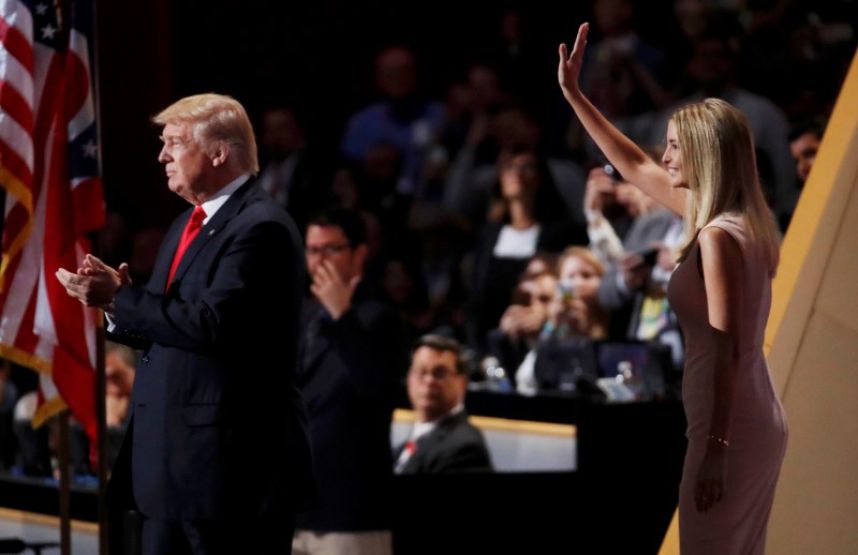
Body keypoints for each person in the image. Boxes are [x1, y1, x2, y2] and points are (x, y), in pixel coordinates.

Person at [558, 23, 787, 553]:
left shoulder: (716, 236)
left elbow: (727, 350)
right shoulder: (732, 220)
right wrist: (575, 96)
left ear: (705, 155)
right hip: (742, 421)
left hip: (730, 429)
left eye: (675, 146)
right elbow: (632, 163)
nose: (663, 157)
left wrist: (715, 448)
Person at [56, 93, 314, 555]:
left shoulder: (261, 227)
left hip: (230, 477)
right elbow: (169, 328)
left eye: (174, 142)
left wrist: (124, 298)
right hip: (170, 475)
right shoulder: (184, 224)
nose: (162, 156)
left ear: (218, 152)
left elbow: (212, 325)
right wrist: (118, 304)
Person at [293, 208, 406, 555]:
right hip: (294, 508)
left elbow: (377, 389)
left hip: (350, 512)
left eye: (332, 249)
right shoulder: (301, 314)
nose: (320, 260)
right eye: (313, 250)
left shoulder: (380, 317)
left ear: (359, 253)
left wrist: (342, 317)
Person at [394, 335, 492, 474]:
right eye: (421, 372)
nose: (429, 381)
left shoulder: (465, 449)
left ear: (462, 383)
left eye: (439, 373)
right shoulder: (403, 447)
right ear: (409, 379)